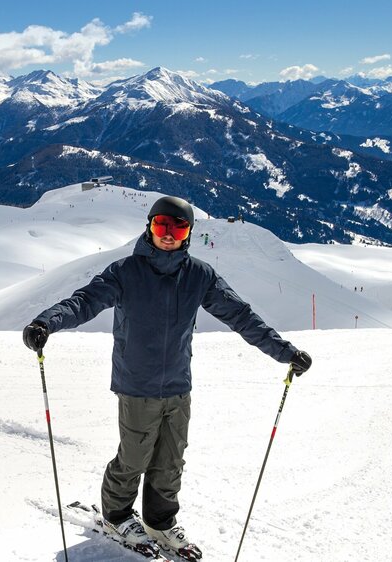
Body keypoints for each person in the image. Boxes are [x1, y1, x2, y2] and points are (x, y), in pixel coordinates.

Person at [22, 196, 312, 558]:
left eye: (178, 227)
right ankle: (116, 514)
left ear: (189, 233)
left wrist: (284, 351)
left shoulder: (199, 276)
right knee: (135, 456)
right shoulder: (125, 272)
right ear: (149, 227)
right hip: (137, 384)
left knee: (171, 459)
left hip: (177, 384)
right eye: (162, 226)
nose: (169, 235)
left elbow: (241, 315)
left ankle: (160, 521)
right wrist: (45, 322)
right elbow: (84, 301)